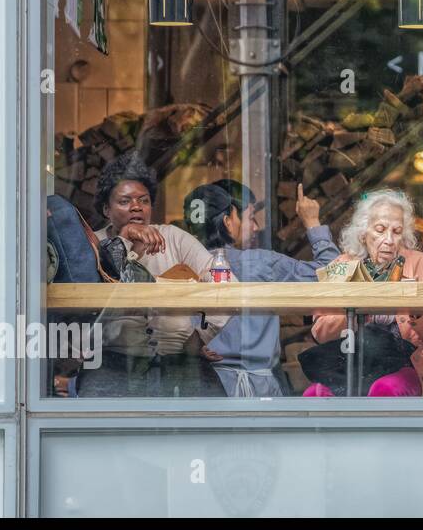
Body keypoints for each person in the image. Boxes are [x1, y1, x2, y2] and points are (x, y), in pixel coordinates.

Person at [76, 153, 222, 397]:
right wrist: (125, 239)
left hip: (179, 360)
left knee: (211, 421)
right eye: (125, 201)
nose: (136, 207)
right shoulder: (92, 245)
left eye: (144, 201)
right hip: (113, 361)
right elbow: (96, 299)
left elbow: (224, 282)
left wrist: (201, 337)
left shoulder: (175, 238)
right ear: (106, 209)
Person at [183, 182, 342, 397]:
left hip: (196, 387)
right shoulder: (258, 263)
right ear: (228, 222)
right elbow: (334, 274)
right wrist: (312, 222)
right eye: (248, 218)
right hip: (257, 391)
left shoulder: (178, 266)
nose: (255, 227)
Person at [305, 188, 423, 397]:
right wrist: (357, 301)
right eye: (380, 229)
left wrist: (417, 309)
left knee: (385, 390)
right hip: (353, 365)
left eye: (397, 232)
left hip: (407, 368)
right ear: (363, 232)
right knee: (314, 395)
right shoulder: (342, 266)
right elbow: (321, 333)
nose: (388, 239)